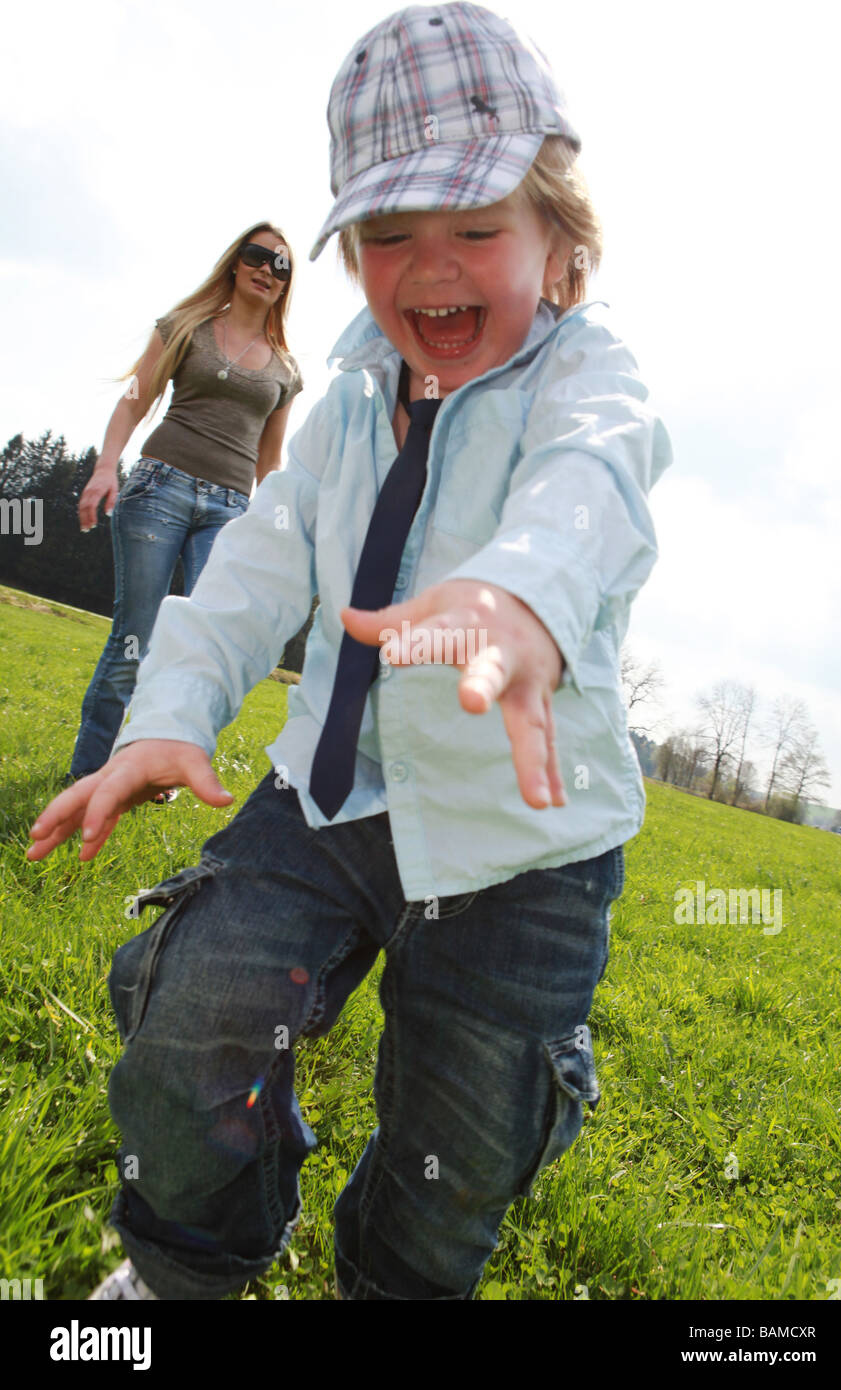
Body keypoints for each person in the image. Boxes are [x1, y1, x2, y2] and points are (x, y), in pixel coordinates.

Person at [28, 2, 672, 1300]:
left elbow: (587, 493)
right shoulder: (349, 403)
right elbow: (256, 569)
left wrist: (519, 603)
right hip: (329, 792)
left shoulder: (588, 383)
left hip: (522, 846)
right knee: (194, 1013)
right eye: (388, 235)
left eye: (476, 228)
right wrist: (173, 710)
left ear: (560, 246)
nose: (428, 267)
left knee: (462, 1146)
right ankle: (184, 1265)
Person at [66, 223, 303, 800]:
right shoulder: (187, 328)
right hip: (159, 491)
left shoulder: (287, 371)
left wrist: (275, 529)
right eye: (258, 256)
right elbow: (134, 400)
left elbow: (268, 464)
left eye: (282, 266)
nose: (268, 270)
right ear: (235, 262)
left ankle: (156, 768)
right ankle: (91, 771)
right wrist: (105, 467)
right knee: (136, 636)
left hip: (228, 511)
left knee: (197, 644)